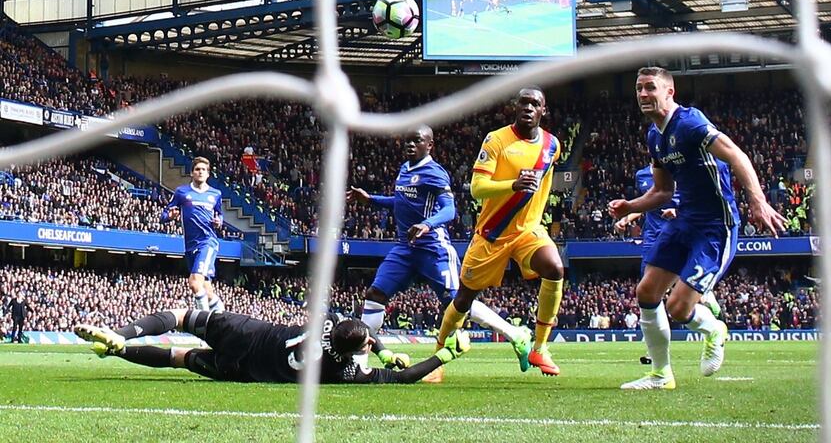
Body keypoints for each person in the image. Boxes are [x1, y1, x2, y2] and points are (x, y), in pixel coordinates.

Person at [609, 67, 784, 390]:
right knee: (646, 292)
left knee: (678, 307)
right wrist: (631, 206)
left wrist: (757, 202)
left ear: (669, 92)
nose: (644, 95)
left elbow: (736, 155)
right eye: (639, 89)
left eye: (650, 88)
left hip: (716, 226)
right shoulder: (654, 136)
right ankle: (661, 376)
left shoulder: (689, 123)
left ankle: (714, 329)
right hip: (685, 220)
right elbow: (662, 191)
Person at [347, 125, 531, 379]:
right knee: (374, 294)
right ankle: (359, 360)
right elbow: (400, 201)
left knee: (457, 303)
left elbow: (449, 210)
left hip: (433, 248)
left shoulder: (435, 173)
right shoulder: (404, 169)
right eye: (408, 141)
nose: (410, 145)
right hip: (405, 248)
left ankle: (515, 334)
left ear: (429, 145)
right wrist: (371, 200)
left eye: (417, 141)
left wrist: (427, 224)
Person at [435, 87, 565, 376]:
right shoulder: (496, 140)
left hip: (528, 231)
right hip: (492, 233)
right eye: (524, 103)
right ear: (514, 107)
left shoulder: (552, 145)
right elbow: (478, 188)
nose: (529, 108)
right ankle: (439, 352)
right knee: (464, 299)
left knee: (554, 268)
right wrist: (512, 185)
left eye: (535, 104)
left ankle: (540, 348)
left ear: (543, 110)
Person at [73, 310, 468, 384]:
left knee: (178, 318)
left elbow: (356, 330)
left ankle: (122, 335)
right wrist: (447, 353)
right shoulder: (347, 371)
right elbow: (405, 377)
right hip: (241, 370)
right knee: (178, 358)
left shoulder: (327, 321)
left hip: (245, 332)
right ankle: (117, 351)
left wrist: (378, 347)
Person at [613, 164, 721, 366]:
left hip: (677, 231)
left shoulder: (678, 167)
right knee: (649, 291)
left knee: (672, 296)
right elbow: (649, 200)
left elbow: (690, 197)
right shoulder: (642, 174)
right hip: (652, 237)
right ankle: (656, 356)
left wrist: (678, 210)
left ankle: (703, 295)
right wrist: (627, 217)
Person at [160, 157, 225, 312]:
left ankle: (203, 322)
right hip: (190, 246)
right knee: (207, 291)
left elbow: (220, 215)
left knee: (194, 283)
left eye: (203, 169)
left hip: (207, 242)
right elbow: (163, 216)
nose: (200, 172)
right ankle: (222, 314)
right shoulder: (182, 192)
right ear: (192, 173)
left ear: (208, 174)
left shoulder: (215, 194)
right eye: (197, 169)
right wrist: (170, 216)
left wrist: (219, 222)